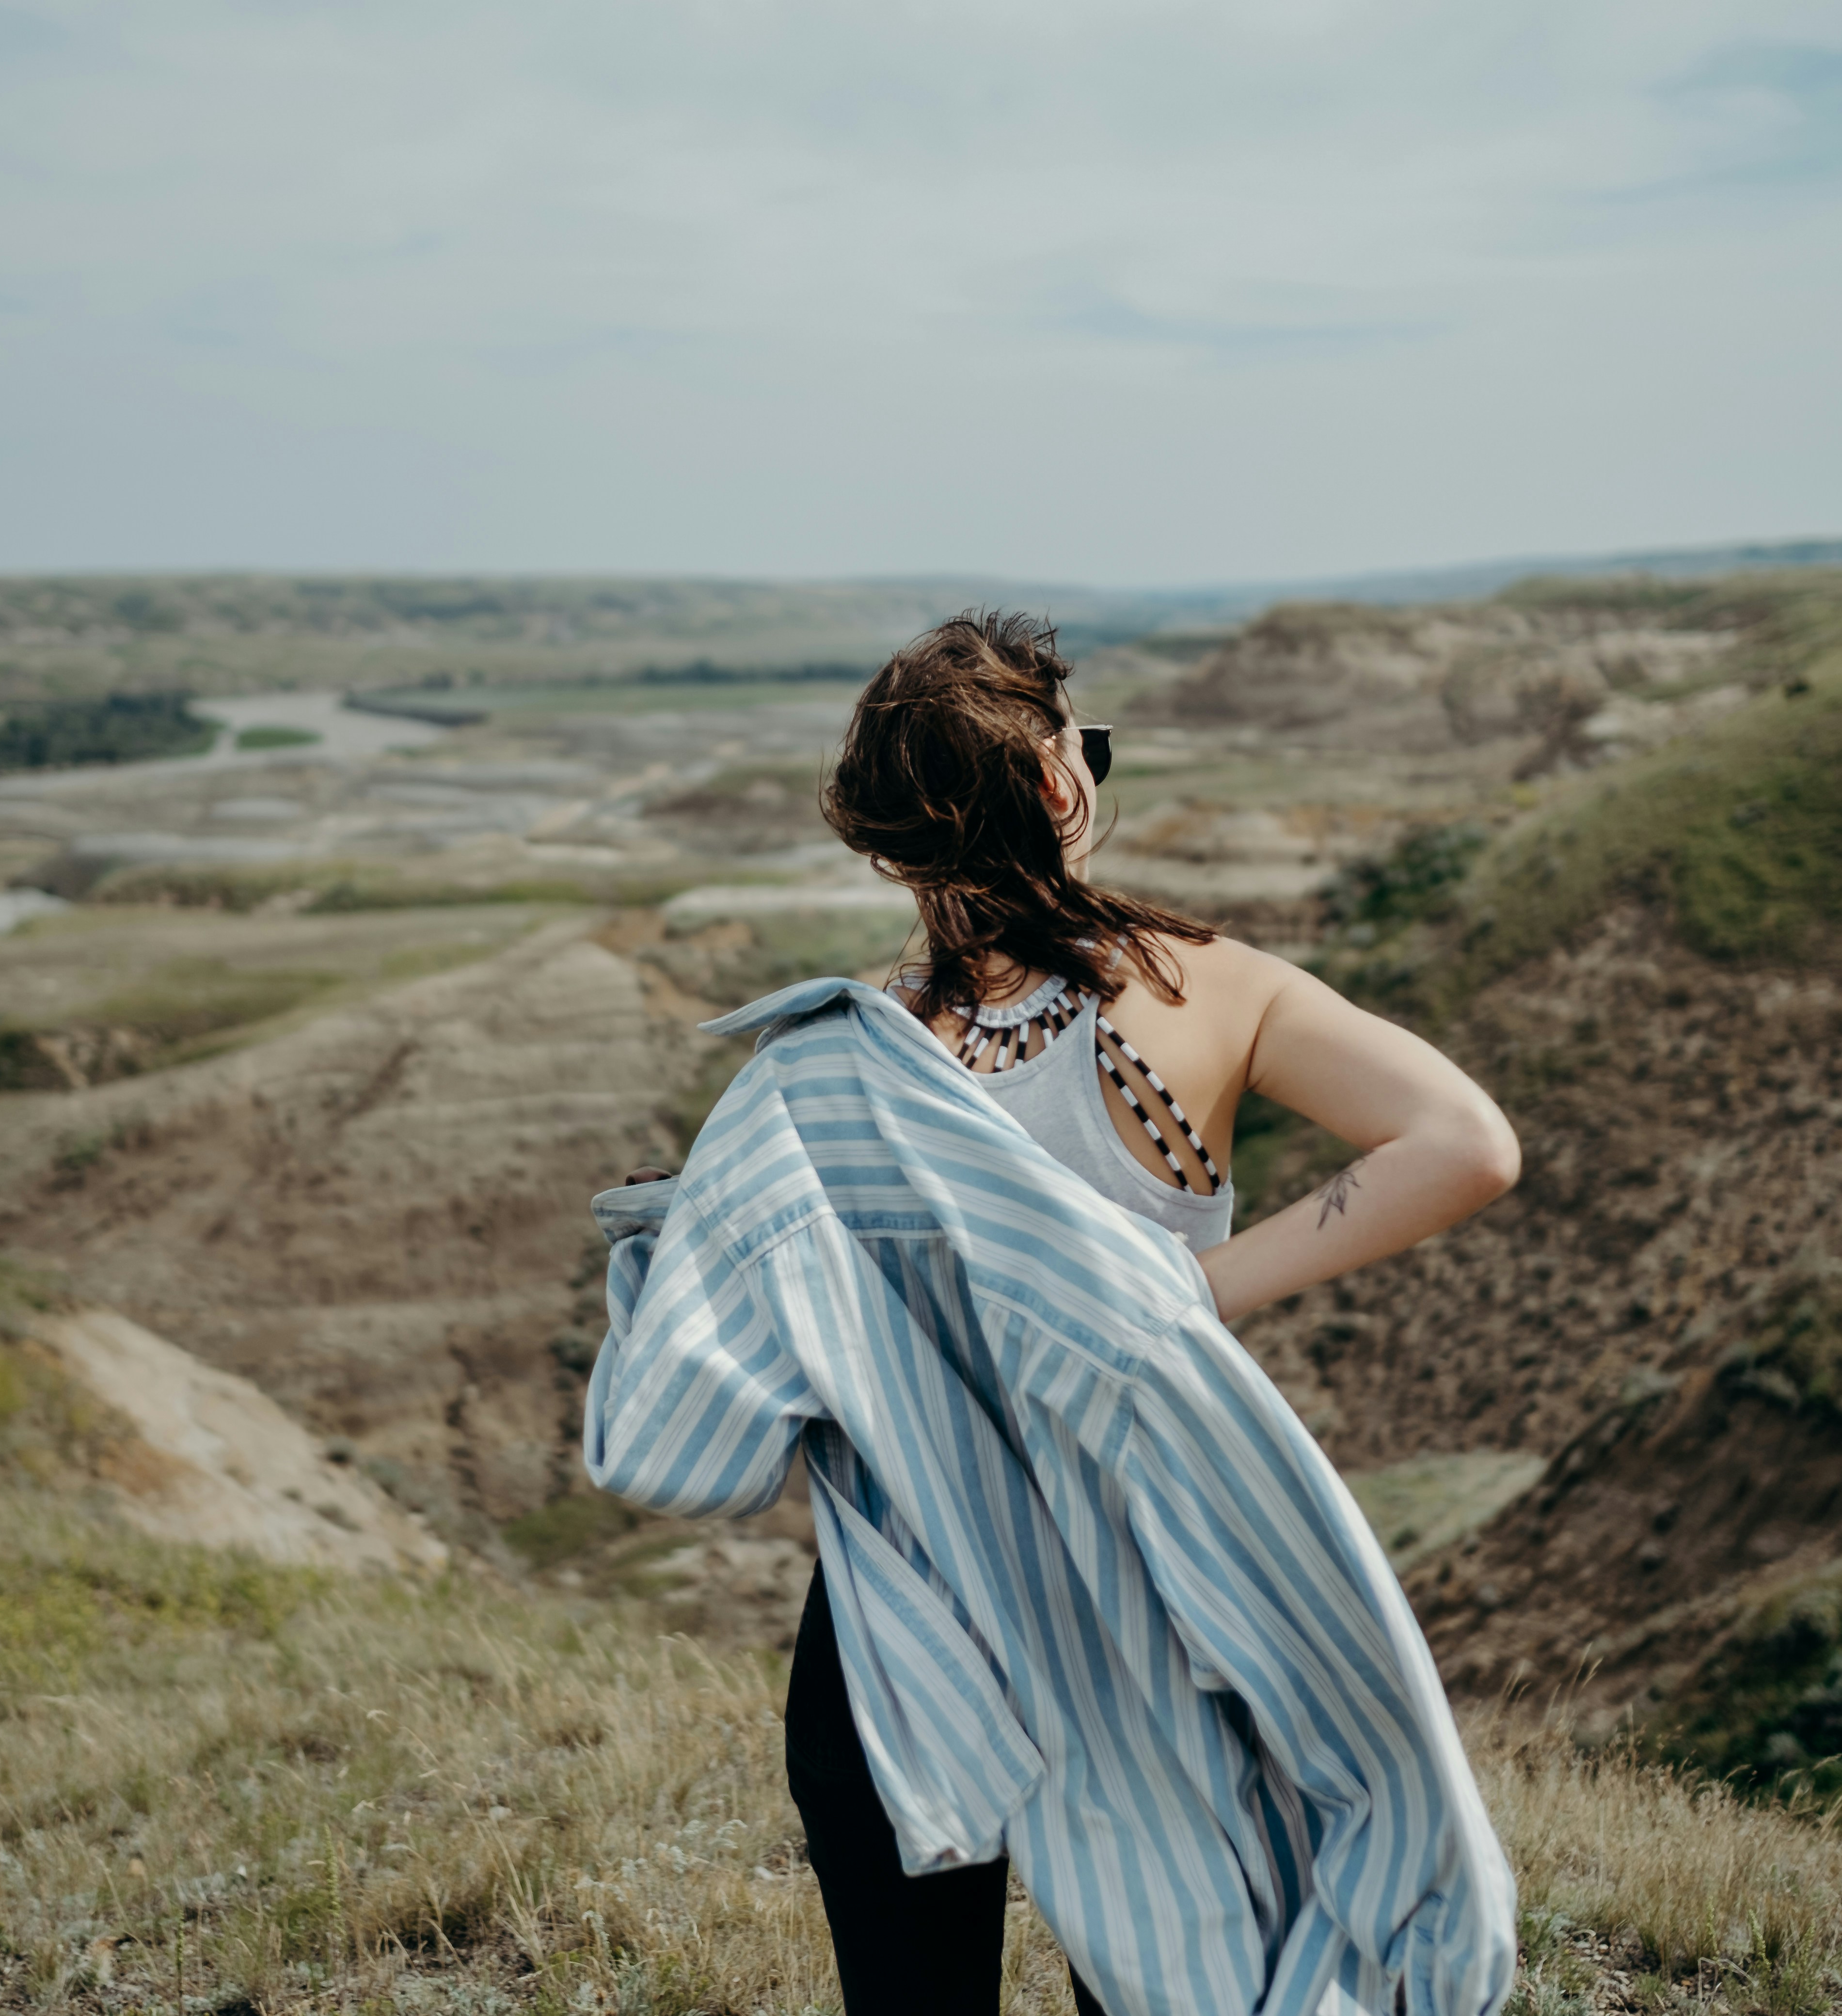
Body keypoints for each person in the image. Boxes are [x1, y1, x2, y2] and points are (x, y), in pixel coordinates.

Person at [590, 612, 1523, 2015]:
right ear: (1058, 790)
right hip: (1140, 1585)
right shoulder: (1206, 990)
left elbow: (703, 1434)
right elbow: (1467, 1143)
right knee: (1170, 1974)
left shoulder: (834, 1071)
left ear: (888, 844)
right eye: (1084, 746)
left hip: (896, 1618)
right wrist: (1188, 1293)